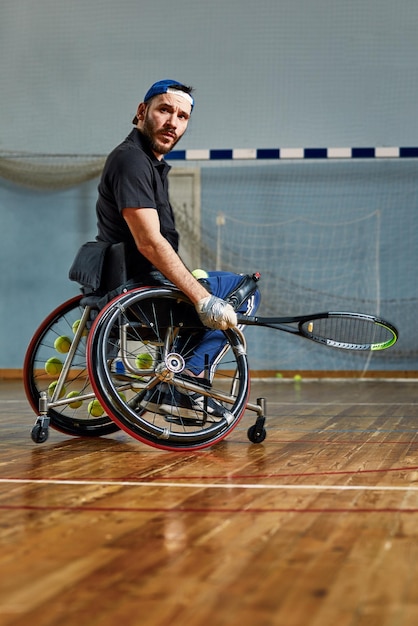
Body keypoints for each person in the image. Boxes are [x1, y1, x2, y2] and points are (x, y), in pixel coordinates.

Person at [94, 79, 260, 418]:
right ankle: (184, 381)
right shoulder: (132, 162)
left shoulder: (147, 162)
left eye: (182, 116)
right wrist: (202, 298)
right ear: (142, 112)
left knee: (218, 284)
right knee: (246, 290)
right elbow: (149, 242)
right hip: (143, 294)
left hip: (140, 286)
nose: (173, 122)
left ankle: (176, 381)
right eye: (165, 110)